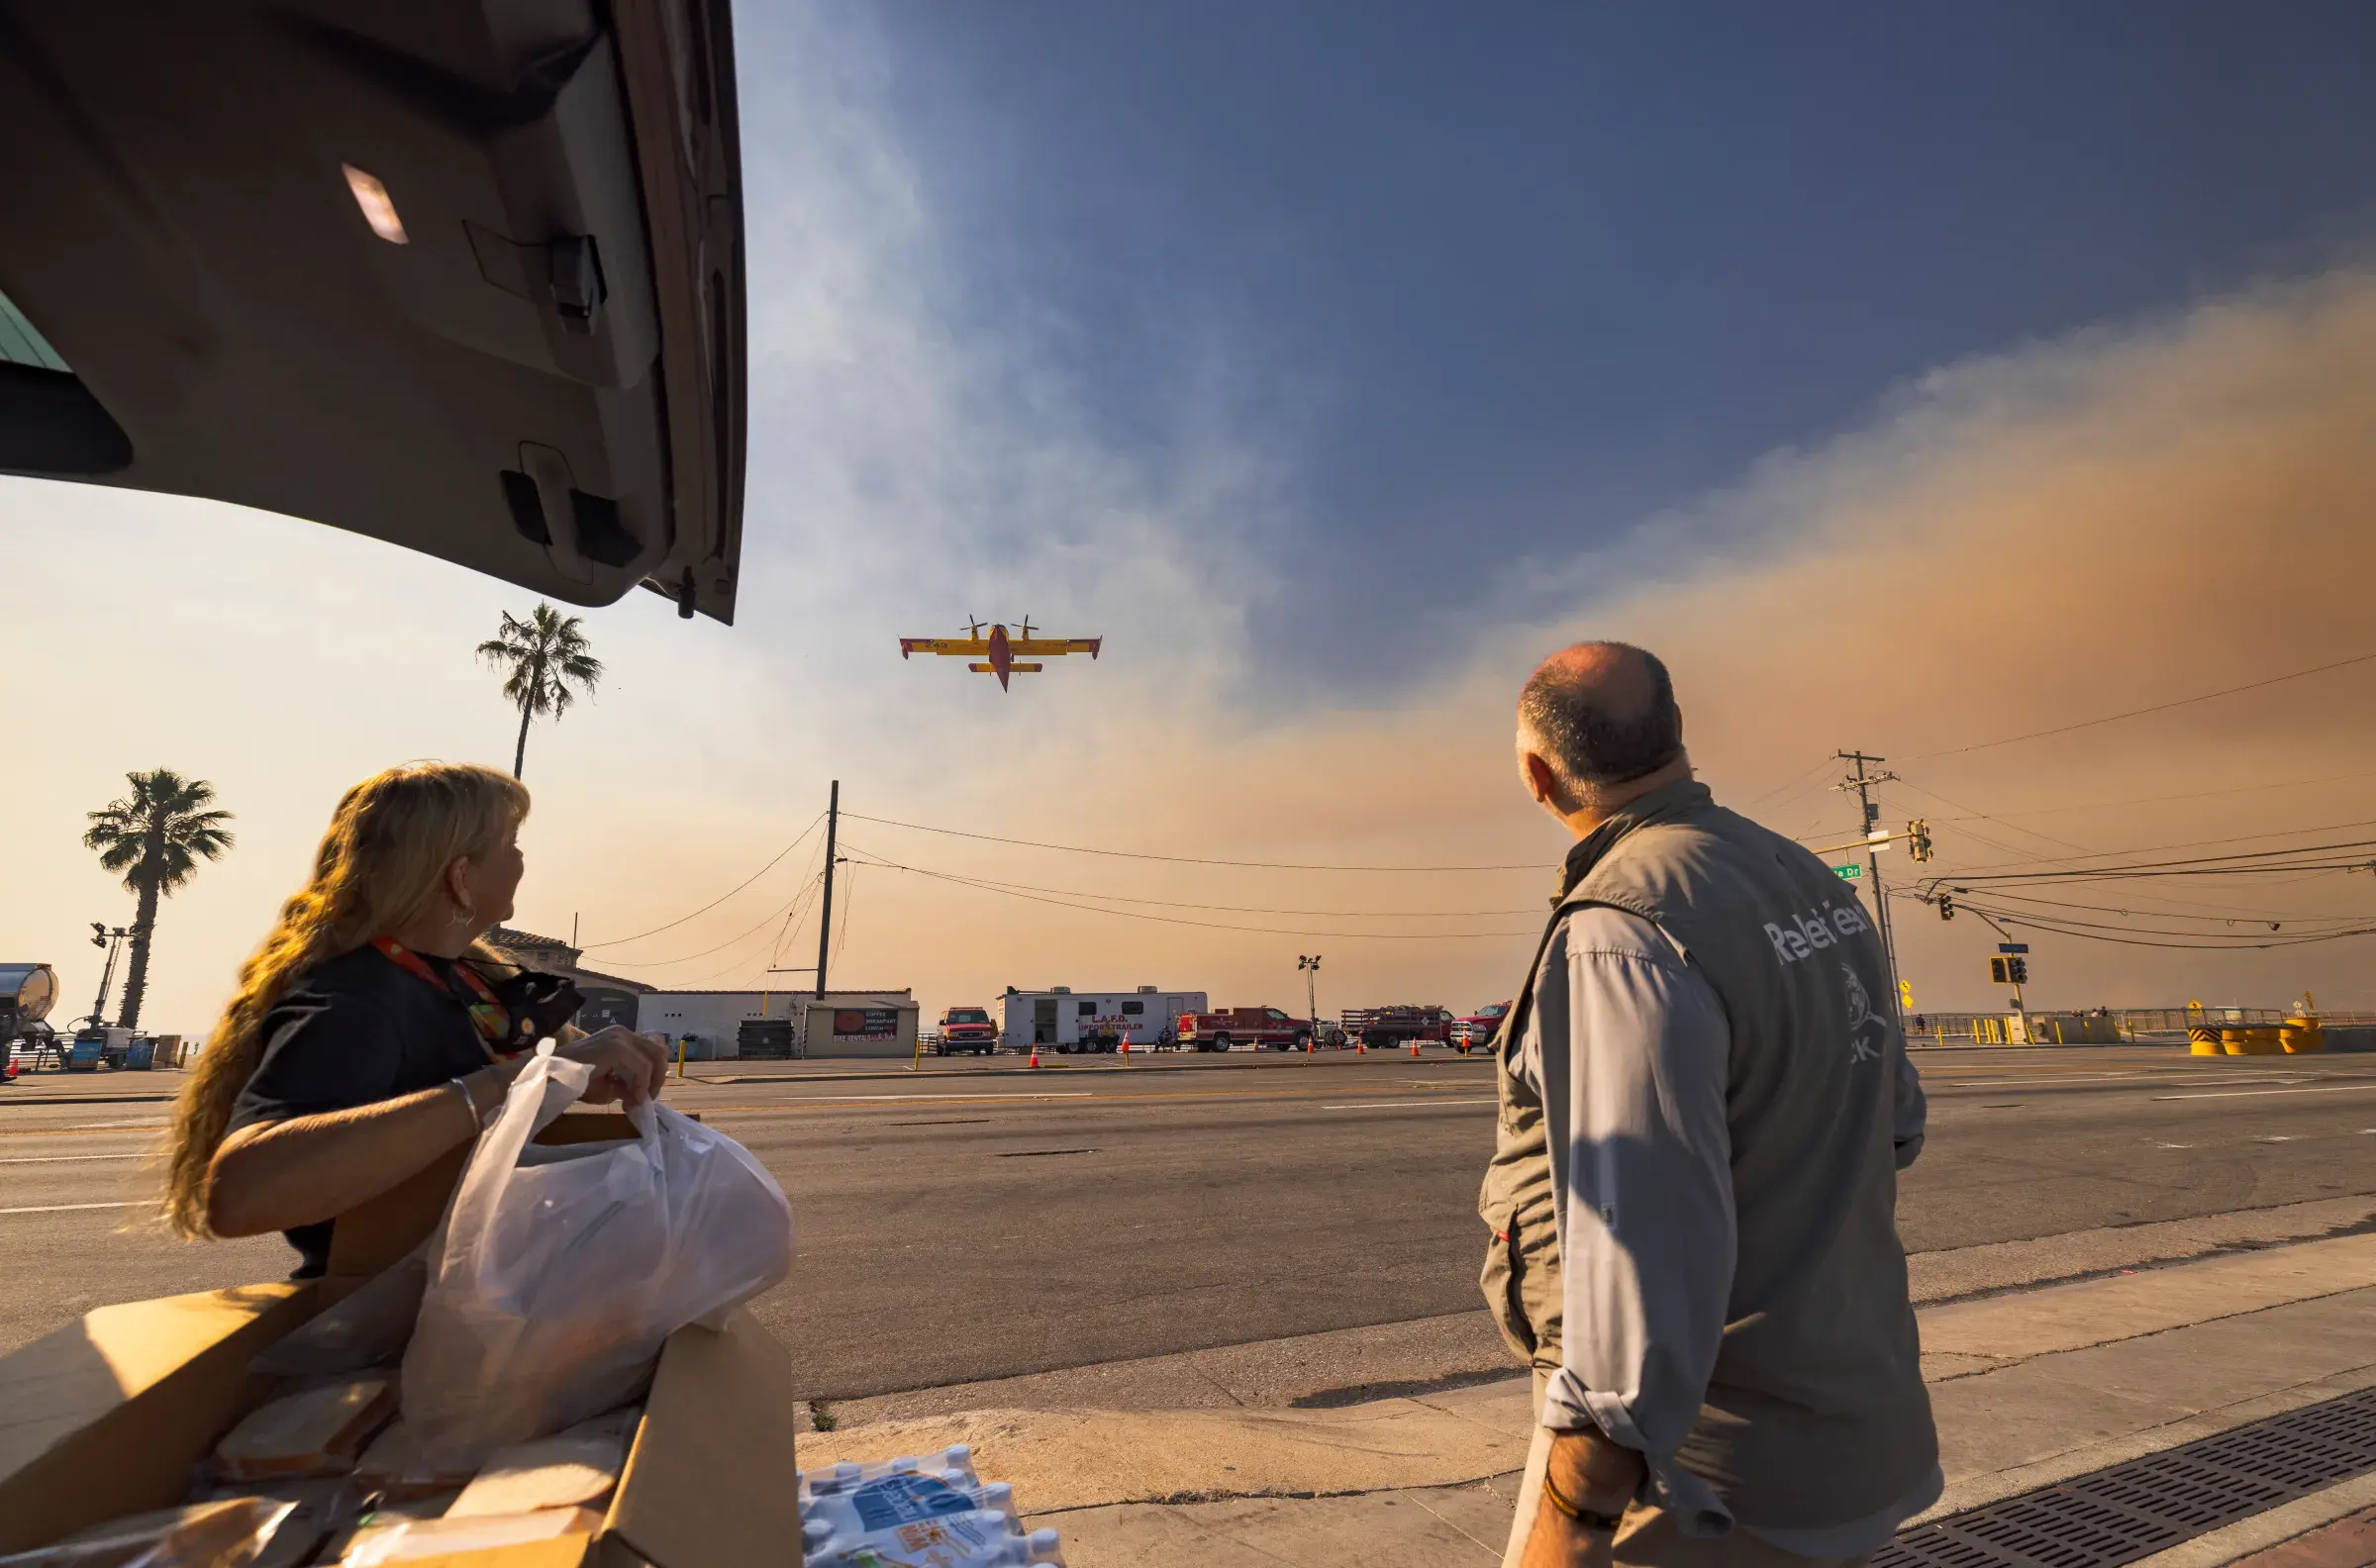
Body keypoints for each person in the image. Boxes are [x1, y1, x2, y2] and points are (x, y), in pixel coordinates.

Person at [1481, 642, 1936, 1568]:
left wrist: (1566, 1532)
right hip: (1854, 1421)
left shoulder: (1622, 933)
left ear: (1538, 775)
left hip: (1703, 1485)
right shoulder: (1810, 880)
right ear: (1676, 735)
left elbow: (1636, 1288)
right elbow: (1897, 1125)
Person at [161, 762, 669, 1276]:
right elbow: (242, 1193)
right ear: (463, 877)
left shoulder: (465, 979)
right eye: (511, 844)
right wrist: (511, 1082)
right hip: (381, 1327)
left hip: (467, 1306)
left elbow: (533, 1057)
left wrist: (584, 1069)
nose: (521, 861)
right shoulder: (356, 999)